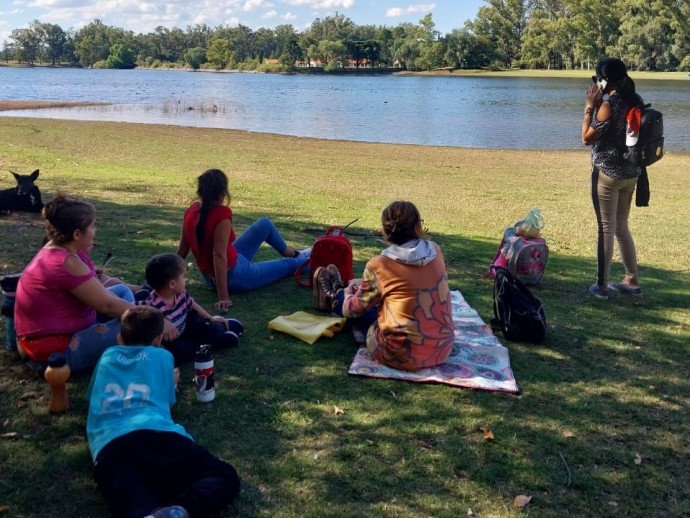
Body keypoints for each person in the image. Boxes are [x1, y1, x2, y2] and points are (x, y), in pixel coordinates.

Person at [87, 306, 241, 518]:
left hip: (110, 446)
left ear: (120, 339)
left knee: (133, 502)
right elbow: (166, 408)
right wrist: (172, 382)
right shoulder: (163, 356)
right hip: (159, 434)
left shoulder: (107, 357)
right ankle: (181, 509)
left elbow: (95, 398)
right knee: (224, 476)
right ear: (159, 339)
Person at [14, 194, 177, 374]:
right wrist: (158, 320)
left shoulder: (64, 250)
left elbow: (105, 295)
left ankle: (145, 341)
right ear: (77, 234)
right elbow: (106, 305)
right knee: (137, 328)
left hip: (65, 329)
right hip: (55, 349)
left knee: (121, 291)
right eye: (92, 226)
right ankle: (149, 351)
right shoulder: (66, 262)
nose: (95, 230)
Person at [314, 201, 455, 372]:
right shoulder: (435, 251)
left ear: (386, 230)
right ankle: (336, 294)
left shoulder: (381, 265)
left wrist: (350, 292)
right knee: (380, 301)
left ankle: (335, 296)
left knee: (364, 307)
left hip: (398, 354)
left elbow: (353, 310)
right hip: (441, 349)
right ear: (418, 225)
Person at [176, 168, 310, 311]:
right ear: (223, 194)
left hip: (224, 269)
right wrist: (223, 297)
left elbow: (182, 250)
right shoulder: (221, 216)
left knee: (264, 224)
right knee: (288, 265)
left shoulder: (191, 211)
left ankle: (295, 253)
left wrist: (166, 276)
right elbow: (219, 255)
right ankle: (317, 259)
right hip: (235, 276)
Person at [582, 57, 644, 300]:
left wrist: (589, 106)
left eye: (599, 78)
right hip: (630, 175)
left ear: (605, 80)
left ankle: (602, 285)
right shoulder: (635, 100)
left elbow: (587, 138)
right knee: (621, 227)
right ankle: (631, 280)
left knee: (606, 229)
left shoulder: (610, 105)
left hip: (607, 174)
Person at [137, 253, 245, 364]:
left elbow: (193, 305)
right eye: (183, 277)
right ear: (172, 284)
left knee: (201, 322)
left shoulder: (180, 293)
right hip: (174, 340)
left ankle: (220, 327)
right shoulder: (151, 305)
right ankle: (216, 342)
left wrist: (211, 318)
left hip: (188, 326)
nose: (186, 280)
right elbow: (135, 313)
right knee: (179, 352)